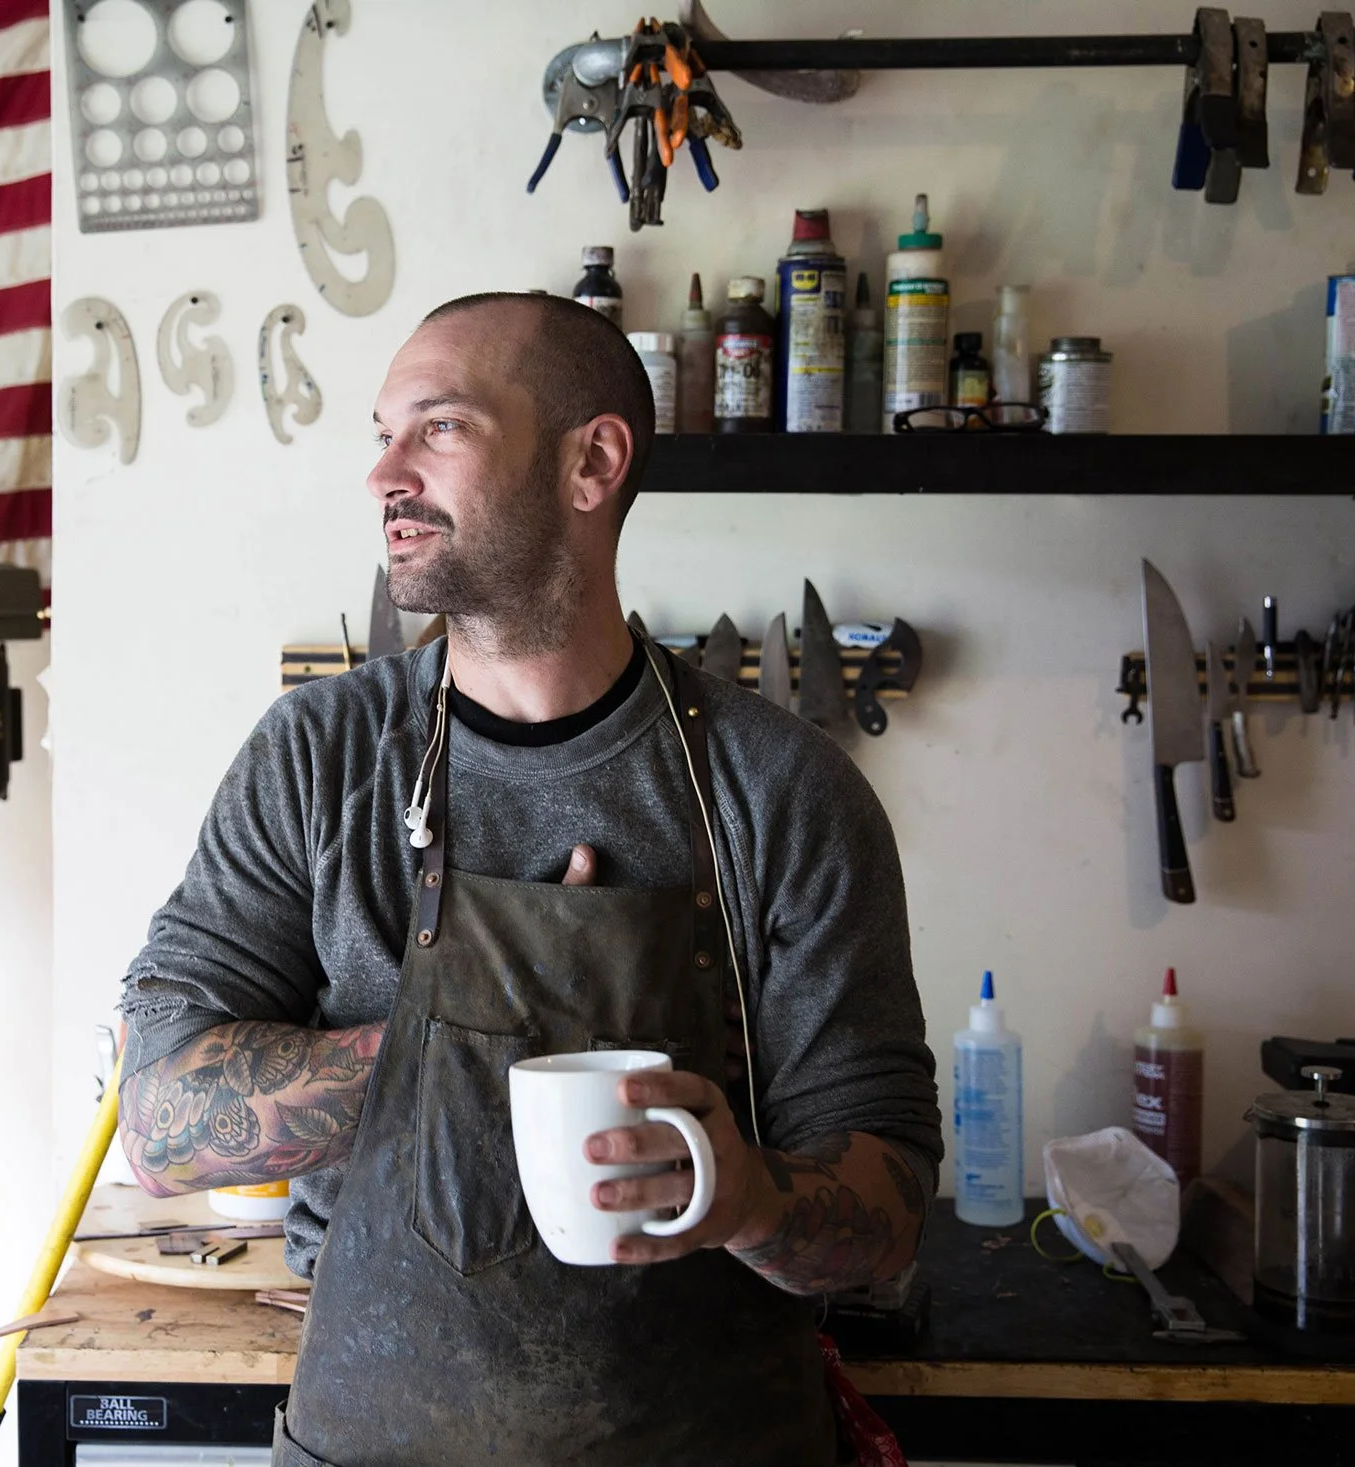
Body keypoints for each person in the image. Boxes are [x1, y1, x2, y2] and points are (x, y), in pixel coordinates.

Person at [116, 292, 941, 1466]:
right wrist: (484, 1041)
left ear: (590, 462)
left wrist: (748, 1199)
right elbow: (158, 1123)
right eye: (380, 433)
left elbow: (892, 1212)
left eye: (437, 429)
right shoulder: (319, 758)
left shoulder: (783, 791)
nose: (383, 476)